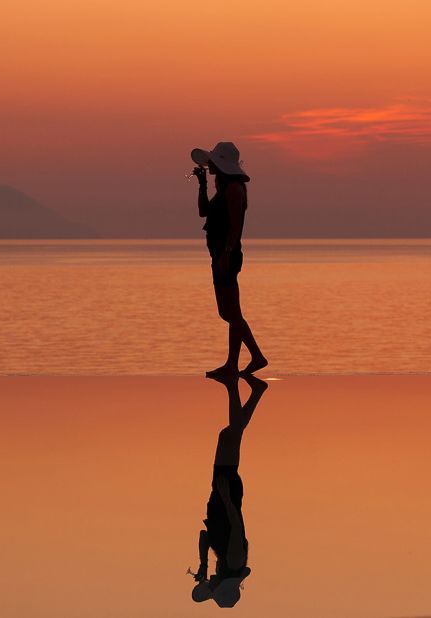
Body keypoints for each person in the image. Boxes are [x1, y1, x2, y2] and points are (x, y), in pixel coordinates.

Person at [188, 373, 267, 608]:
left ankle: (256, 390)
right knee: (231, 435)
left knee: (231, 436)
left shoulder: (223, 561)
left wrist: (203, 564)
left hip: (223, 495)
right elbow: (236, 525)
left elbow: (204, 536)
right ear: (223, 585)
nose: (211, 586)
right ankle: (232, 385)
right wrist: (225, 496)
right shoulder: (233, 561)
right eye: (215, 589)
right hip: (227, 494)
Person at [191, 142, 268, 378]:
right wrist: (202, 184)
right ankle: (254, 357)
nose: (210, 164)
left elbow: (235, 226)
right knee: (226, 312)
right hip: (219, 254)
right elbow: (203, 211)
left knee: (232, 311)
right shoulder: (223, 187)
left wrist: (226, 253)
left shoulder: (234, 189)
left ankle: (235, 364)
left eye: (213, 161)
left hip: (228, 254)